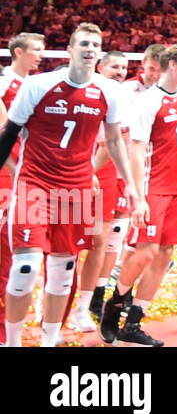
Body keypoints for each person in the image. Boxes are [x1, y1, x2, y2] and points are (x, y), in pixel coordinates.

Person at [0, 24, 142, 347]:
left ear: (100, 52)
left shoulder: (110, 91)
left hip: (76, 189)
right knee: (25, 267)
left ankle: (49, 341)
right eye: (83, 44)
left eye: (95, 44)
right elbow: (9, 133)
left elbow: (114, 141)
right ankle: (11, 342)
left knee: (63, 272)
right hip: (34, 184)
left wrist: (130, 184)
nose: (89, 49)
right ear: (70, 49)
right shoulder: (38, 85)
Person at [101, 44, 177, 347]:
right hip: (155, 187)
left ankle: (134, 321)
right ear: (172, 65)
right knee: (144, 251)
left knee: (165, 254)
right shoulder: (148, 101)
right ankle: (114, 306)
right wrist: (139, 196)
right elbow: (137, 149)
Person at [68, 50, 131, 332]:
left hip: (106, 177)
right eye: (115, 66)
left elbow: (118, 143)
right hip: (78, 174)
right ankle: (59, 304)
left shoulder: (123, 97)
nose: (120, 71)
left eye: (124, 67)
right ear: (100, 67)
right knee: (68, 244)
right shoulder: (86, 92)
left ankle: (84, 306)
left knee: (99, 243)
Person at [0, 32, 45, 320]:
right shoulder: (4, 82)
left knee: (14, 252)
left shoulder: (31, 85)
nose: (41, 55)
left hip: (23, 173)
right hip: (8, 174)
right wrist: (16, 172)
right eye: (36, 50)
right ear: (18, 52)